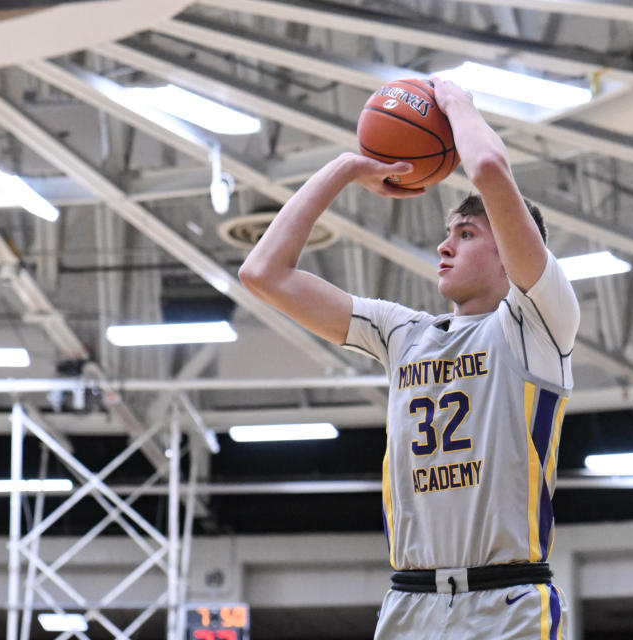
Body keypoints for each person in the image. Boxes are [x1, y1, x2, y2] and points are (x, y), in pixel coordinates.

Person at [239, 76, 580, 639]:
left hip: (507, 599)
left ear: (514, 253)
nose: (445, 246)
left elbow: (490, 169)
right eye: (447, 234)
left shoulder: (538, 322)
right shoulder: (402, 333)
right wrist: (346, 169)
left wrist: (456, 102)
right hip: (409, 601)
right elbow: (263, 274)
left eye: (466, 233)